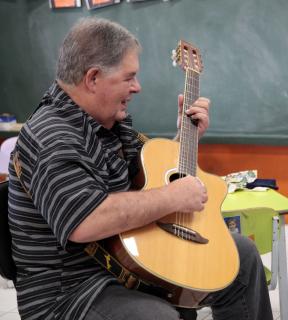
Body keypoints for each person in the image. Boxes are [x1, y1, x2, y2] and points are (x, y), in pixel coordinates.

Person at [8, 17, 273, 320]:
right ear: (93, 78)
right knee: (157, 316)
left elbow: (149, 177)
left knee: (242, 258)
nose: (137, 87)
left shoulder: (107, 123)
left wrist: (185, 137)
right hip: (72, 291)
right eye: (129, 77)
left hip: (129, 259)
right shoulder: (50, 136)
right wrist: (173, 197)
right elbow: (86, 221)